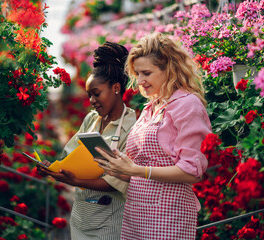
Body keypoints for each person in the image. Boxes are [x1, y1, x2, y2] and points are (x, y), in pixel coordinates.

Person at [94, 33, 212, 240]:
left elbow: (193, 170)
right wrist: (119, 168)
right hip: (138, 213)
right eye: (137, 74)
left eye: (146, 73)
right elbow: (141, 169)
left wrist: (138, 170)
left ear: (169, 69)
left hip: (169, 214)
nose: (140, 81)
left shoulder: (187, 105)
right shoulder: (151, 107)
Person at [39, 42, 136, 239]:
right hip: (81, 217)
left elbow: (116, 182)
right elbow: (70, 156)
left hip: (109, 224)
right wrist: (54, 168)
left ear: (116, 88)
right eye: (89, 95)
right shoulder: (92, 119)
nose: (91, 100)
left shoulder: (133, 126)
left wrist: (75, 181)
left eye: (96, 93)